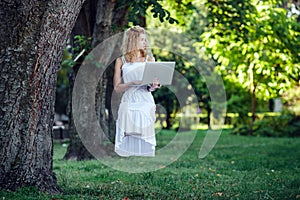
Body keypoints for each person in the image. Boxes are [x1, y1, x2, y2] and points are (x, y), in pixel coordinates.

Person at [113, 26, 160, 157]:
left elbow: (151, 87)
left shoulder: (149, 59)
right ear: (133, 41)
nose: (145, 43)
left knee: (144, 132)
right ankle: (128, 158)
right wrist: (133, 83)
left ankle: (143, 163)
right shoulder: (121, 60)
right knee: (128, 129)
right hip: (128, 98)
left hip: (145, 98)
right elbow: (117, 88)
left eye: (145, 40)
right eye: (142, 40)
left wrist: (154, 85)